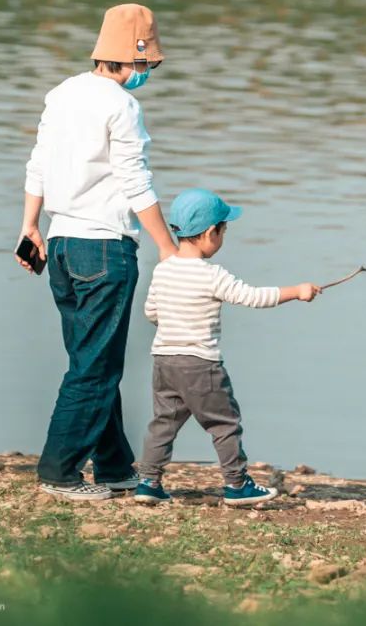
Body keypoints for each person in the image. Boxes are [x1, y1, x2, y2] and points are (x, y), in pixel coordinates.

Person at [19, 2, 178, 502]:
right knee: (96, 367)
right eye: (145, 65)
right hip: (105, 248)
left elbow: (39, 163)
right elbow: (135, 180)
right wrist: (168, 249)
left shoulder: (62, 94)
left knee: (92, 358)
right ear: (127, 61)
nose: (146, 74)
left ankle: (112, 465)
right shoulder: (122, 106)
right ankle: (59, 470)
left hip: (62, 245)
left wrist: (29, 226)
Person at [134, 187, 320, 507]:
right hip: (200, 364)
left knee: (163, 422)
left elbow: (152, 312)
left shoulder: (163, 270)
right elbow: (253, 297)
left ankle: (149, 481)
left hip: (164, 360)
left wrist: (174, 329)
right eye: (223, 231)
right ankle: (237, 485)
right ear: (210, 233)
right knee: (224, 423)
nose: (223, 238)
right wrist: (297, 291)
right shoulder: (212, 275)